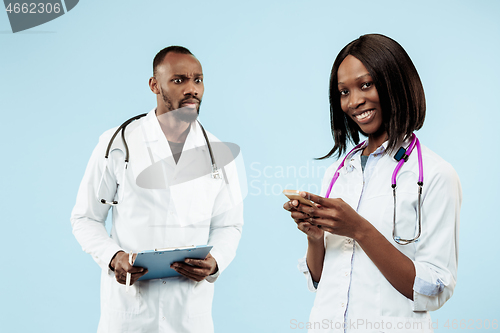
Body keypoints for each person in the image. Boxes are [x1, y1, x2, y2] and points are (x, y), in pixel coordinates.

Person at [284, 34, 461, 332]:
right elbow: (320, 279)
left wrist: (359, 229)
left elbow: (434, 289)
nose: (354, 101)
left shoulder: (435, 174)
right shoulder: (339, 172)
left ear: (395, 82)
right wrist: (315, 237)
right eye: (343, 92)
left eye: (366, 85)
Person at [71, 46, 244, 333]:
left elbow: (229, 225)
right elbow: (85, 218)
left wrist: (215, 263)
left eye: (198, 80)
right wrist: (114, 258)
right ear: (154, 85)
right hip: (130, 313)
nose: (192, 89)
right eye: (179, 80)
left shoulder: (217, 152)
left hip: (189, 314)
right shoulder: (118, 143)